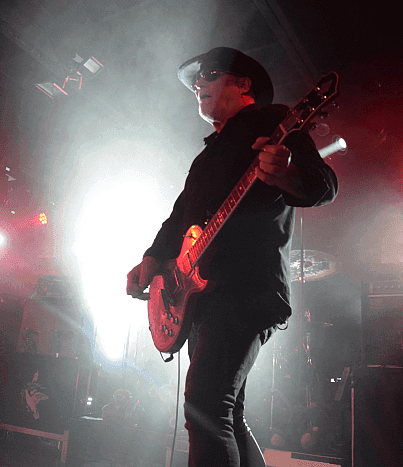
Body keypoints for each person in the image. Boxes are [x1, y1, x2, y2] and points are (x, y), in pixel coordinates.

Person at [126, 47, 338, 466]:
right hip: (200, 296)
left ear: (243, 84)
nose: (198, 85)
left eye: (209, 74)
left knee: (205, 408)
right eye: (195, 81)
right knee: (226, 414)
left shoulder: (276, 122)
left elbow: (325, 184)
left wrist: (287, 173)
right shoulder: (205, 157)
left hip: (245, 289)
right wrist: (152, 259)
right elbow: (179, 218)